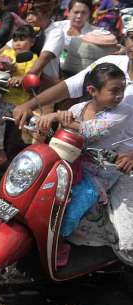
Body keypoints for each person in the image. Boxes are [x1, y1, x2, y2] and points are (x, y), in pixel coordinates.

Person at [37, 63, 133, 252]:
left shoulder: (121, 112)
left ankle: (59, 244)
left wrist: (57, 115)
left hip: (100, 174)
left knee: (77, 205)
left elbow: (89, 130)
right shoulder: (79, 107)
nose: (120, 96)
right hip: (71, 167)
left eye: (122, 90)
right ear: (92, 90)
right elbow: (64, 126)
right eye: (114, 91)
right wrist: (55, 118)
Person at [13, 26, 133, 127]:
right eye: (132, 38)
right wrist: (28, 106)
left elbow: (104, 128)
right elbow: (69, 86)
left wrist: (57, 117)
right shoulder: (109, 62)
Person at [0, 25, 39, 167]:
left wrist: (20, 78)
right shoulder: (9, 53)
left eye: (22, 40)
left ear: (32, 42)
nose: (18, 44)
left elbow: (30, 76)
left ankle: (0, 151)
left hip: (16, 100)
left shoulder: (32, 59)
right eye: (15, 40)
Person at [26, 0, 95, 84]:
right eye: (76, 12)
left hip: (75, 77)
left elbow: (45, 57)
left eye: (83, 13)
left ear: (89, 14)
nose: (79, 16)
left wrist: (28, 75)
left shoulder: (97, 33)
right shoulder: (55, 26)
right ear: (68, 12)